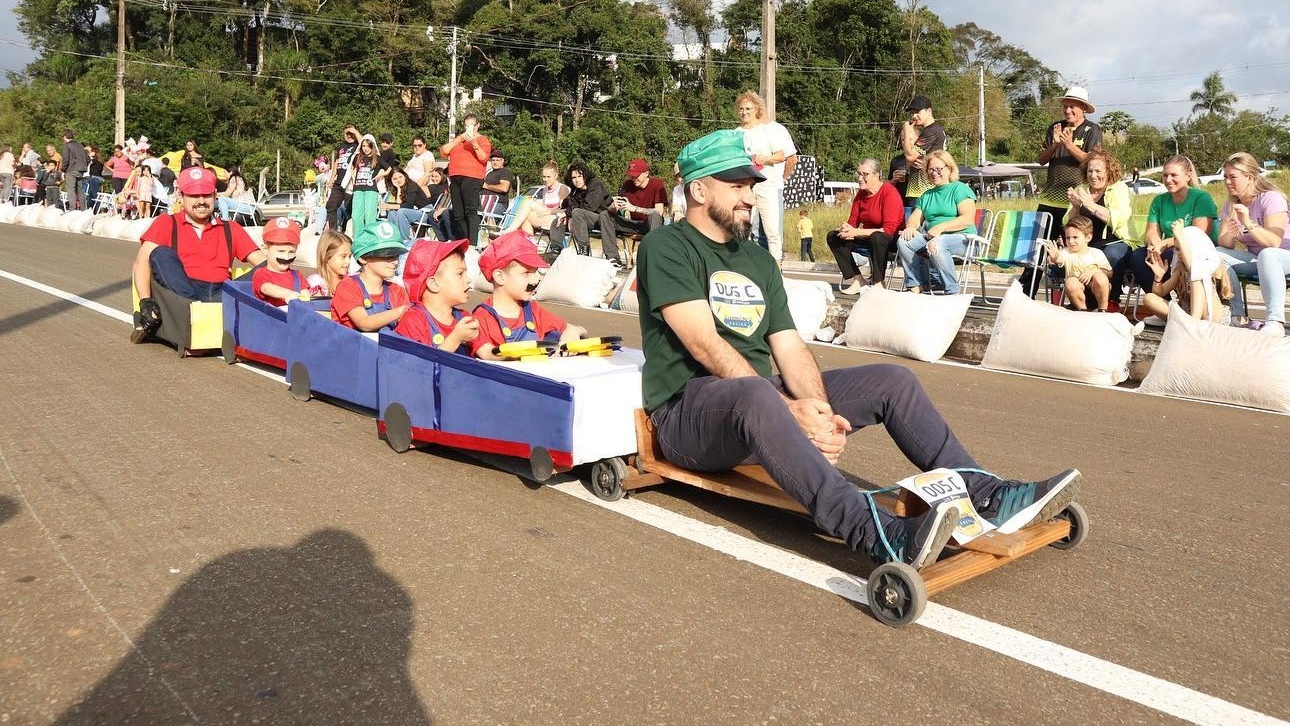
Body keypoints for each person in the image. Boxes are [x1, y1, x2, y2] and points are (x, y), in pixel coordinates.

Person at [636, 129, 1081, 571]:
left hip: (758, 406)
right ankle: (874, 532)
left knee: (892, 381)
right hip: (687, 415)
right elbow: (704, 342)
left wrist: (816, 410)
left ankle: (985, 494)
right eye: (736, 186)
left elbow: (788, 346)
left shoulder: (755, 260)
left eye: (751, 186)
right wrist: (789, 412)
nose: (749, 197)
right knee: (756, 396)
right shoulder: (666, 246)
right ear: (698, 189)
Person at [130, 166, 267, 341]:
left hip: (222, 291)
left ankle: (220, 318)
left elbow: (263, 264)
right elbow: (141, 263)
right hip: (184, 291)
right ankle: (196, 315)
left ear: (215, 195)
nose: (201, 201)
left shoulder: (230, 228)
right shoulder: (167, 222)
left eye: (206, 195)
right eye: (194, 195)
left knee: (269, 268)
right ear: (181, 196)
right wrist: (145, 300)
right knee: (160, 253)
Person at [471, 230, 587, 359]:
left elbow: (577, 328)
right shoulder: (482, 317)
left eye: (536, 271)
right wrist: (520, 353)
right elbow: (487, 354)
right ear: (500, 276)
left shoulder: (531, 310)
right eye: (526, 273)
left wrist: (571, 333)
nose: (535, 279)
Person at [1128, 156, 1218, 321]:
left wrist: (1164, 243)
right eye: (1165, 175)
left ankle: (1187, 314)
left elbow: (1198, 234)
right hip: (1172, 249)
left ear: (1188, 176)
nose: (1168, 180)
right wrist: (1154, 244)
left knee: (1172, 257)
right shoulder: (1159, 200)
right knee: (1139, 257)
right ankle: (1166, 309)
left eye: (1173, 175)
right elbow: (1150, 232)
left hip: (1196, 252)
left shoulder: (1201, 197)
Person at [1216, 151, 1290, 332]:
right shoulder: (1231, 204)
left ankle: (1275, 322)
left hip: (1283, 257)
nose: (1227, 182)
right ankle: (1237, 315)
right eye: (1225, 177)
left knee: (1268, 254)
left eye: (1233, 177)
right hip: (1257, 260)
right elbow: (1225, 245)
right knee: (1216, 254)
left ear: (1249, 177)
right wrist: (1230, 232)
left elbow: (1273, 241)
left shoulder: (1271, 198)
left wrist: (1248, 222)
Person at [1060, 150, 1135, 310]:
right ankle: (1081, 300)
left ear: (1108, 171)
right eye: (1090, 171)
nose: (1093, 175)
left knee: (1111, 255)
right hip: (1087, 243)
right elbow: (1068, 223)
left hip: (1115, 241)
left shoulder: (1119, 188)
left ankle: (1111, 300)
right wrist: (1075, 208)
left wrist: (1090, 205)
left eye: (1098, 171)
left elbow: (1118, 219)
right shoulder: (1081, 189)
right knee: (1066, 257)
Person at [896, 150, 978, 295]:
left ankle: (952, 292)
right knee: (904, 242)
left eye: (938, 169)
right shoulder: (927, 195)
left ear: (949, 169)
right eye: (930, 169)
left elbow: (967, 219)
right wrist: (910, 227)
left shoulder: (960, 189)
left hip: (964, 240)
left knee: (937, 244)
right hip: (932, 238)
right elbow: (916, 217)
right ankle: (916, 285)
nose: (934, 173)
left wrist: (941, 227)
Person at [734, 90, 797, 262]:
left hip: (767, 184)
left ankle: (777, 271)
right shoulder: (736, 133)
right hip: (745, 186)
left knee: (772, 231)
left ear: (756, 109)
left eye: (748, 108)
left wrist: (765, 158)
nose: (744, 112)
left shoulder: (768, 130)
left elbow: (782, 156)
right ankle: (746, 266)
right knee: (744, 228)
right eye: (741, 109)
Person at [827, 158, 904, 295]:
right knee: (834, 237)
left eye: (865, 174)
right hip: (867, 236)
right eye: (859, 174)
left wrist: (856, 232)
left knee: (877, 237)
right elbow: (853, 222)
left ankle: (878, 283)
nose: (860, 178)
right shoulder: (861, 194)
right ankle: (858, 279)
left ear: (877, 175)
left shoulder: (889, 192)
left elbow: (888, 230)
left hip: (890, 239)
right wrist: (846, 228)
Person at [394, 238, 480, 354]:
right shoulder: (414, 321)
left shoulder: (464, 318)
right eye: (460, 274)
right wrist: (455, 339)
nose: (468, 280)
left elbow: (484, 355)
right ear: (434, 284)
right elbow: (417, 367)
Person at [1036, 86, 1103, 231]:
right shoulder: (1055, 127)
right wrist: (1055, 145)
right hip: (1049, 199)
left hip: (1076, 200)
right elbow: (1041, 160)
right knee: (1042, 244)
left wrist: (1069, 145)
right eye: (1065, 106)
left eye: (1072, 107)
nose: (1067, 111)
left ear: (1084, 108)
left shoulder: (1092, 130)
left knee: (1071, 244)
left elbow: (1094, 162)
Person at [1139, 222, 1230, 323]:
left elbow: (1195, 270)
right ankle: (1188, 324)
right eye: (1176, 249)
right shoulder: (1181, 269)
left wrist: (1179, 236)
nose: (1178, 253)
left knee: (1196, 278)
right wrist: (1158, 277)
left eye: (1180, 248)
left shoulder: (1210, 263)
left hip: (1211, 315)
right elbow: (1159, 293)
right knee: (1149, 298)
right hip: (1187, 315)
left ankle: (1191, 325)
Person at [330, 220, 410, 331]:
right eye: (387, 255)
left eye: (396, 256)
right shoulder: (348, 287)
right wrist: (401, 311)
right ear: (363, 258)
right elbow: (364, 323)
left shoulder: (397, 291)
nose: (395, 262)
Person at [439, 113, 491, 246]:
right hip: (455, 177)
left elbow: (483, 157)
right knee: (458, 213)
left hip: (472, 177)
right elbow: (444, 151)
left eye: (472, 125)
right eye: (467, 125)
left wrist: (474, 142)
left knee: (470, 211)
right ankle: (463, 241)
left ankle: (473, 243)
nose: (469, 128)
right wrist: (459, 139)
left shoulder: (482, 140)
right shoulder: (459, 140)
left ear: (477, 126)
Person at [548, 161, 615, 258]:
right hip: (584, 219)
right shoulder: (576, 191)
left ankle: (584, 249)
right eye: (574, 178)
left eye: (580, 176)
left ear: (586, 175)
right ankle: (555, 249)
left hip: (603, 219)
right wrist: (567, 215)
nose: (577, 180)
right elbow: (571, 206)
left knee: (576, 213)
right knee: (558, 220)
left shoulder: (596, 184)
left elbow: (589, 207)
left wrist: (568, 213)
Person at [1044, 216, 1112, 311]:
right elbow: (1060, 259)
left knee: (1100, 277)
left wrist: (1095, 270)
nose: (1071, 241)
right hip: (1077, 293)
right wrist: (1055, 258)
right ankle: (1083, 312)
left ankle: (1103, 310)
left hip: (1097, 292)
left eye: (1075, 237)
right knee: (1071, 281)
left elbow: (1110, 272)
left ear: (1088, 237)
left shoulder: (1096, 253)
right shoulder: (1066, 252)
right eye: (1068, 238)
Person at [606, 158, 667, 264]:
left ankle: (652, 259)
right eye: (631, 176)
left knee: (655, 216)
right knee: (605, 215)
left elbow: (659, 211)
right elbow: (617, 207)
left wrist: (634, 208)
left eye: (637, 175)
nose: (634, 178)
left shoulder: (657, 184)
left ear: (646, 173)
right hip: (633, 224)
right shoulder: (627, 185)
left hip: (651, 224)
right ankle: (613, 259)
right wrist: (613, 206)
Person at [900, 95, 947, 209]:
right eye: (912, 113)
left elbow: (910, 156)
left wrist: (906, 131)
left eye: (917, 112)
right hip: (920, 190)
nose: (914, 116)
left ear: (929, 111)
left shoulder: (932, 130)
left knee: (918, 225)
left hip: (924, 190)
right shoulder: (930, 130)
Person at [252, 218, 310, 307]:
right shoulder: (261, 274)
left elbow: (306, 296)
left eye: (291, 252)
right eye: (281, 251)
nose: (286, 257)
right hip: (270, 319)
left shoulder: (297, 276)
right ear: (265, 249)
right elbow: (266, 288)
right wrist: (286, 294)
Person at [502, 161, 568, 235]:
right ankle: (530, 241)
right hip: (547, 216)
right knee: (525, 218)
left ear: (556, 176)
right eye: (544, 177)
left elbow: (565, 210)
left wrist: (549, 211)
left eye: (548, 177)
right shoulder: (545, 189)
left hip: (558, 219)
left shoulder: (562, 188)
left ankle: (510, 230)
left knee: (528, 205)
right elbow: (544, 207)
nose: (546, 179)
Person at [345, 134, 385, 232]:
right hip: (358, 189)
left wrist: (379, 176)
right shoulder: (357, 157)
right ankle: (359, 237)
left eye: (368, 146)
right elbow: (352, 168)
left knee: (369, 216)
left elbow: (388, 169)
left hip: (371, 189)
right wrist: (354, 178)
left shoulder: (377, 158)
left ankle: (370, 237)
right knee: (356, 216)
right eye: (363, 146)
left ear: (372, 146)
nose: (366, 148)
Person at [325, 124, 360, 232]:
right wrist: (332, 178)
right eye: (346, 134)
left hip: (350, 182)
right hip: (338, 182)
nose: (349, 136)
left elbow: (365, 141)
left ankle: (349, 230)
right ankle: (333, 231)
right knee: (330, 206)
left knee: (350, 208)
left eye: (351, 134)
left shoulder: (358, 145)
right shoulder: (341, 147)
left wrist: (355, 131)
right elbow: (337, 162)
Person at [382, 166, 432, 241]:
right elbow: (399, 203)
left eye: (400, 177)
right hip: (414, 212)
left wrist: (389, 206)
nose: (398, 180)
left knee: (402, 212)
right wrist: (398, 189)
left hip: (426, 213)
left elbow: (408, 206)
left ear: (405, 176)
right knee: (392, 213)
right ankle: (393, 239)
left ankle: (405, 240)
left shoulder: (412, 185)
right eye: (395, 179)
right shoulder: (400, 188)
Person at [313, 229, 354, 297]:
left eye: (349, 256)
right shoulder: (318, 285)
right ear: (326, 255)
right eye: (343, 256)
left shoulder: (352, 282)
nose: (348, 261)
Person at [59, 130, 89, 210]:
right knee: (80, 190)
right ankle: (83, 209)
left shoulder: (67, 145)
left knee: (71, 190)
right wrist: (84, 166)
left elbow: (66, 159)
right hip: (81, 170)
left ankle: (72, 209)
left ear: (65, 137)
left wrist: (63, 170)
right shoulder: (80, 145)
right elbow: (88, 158)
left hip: (71, 170)